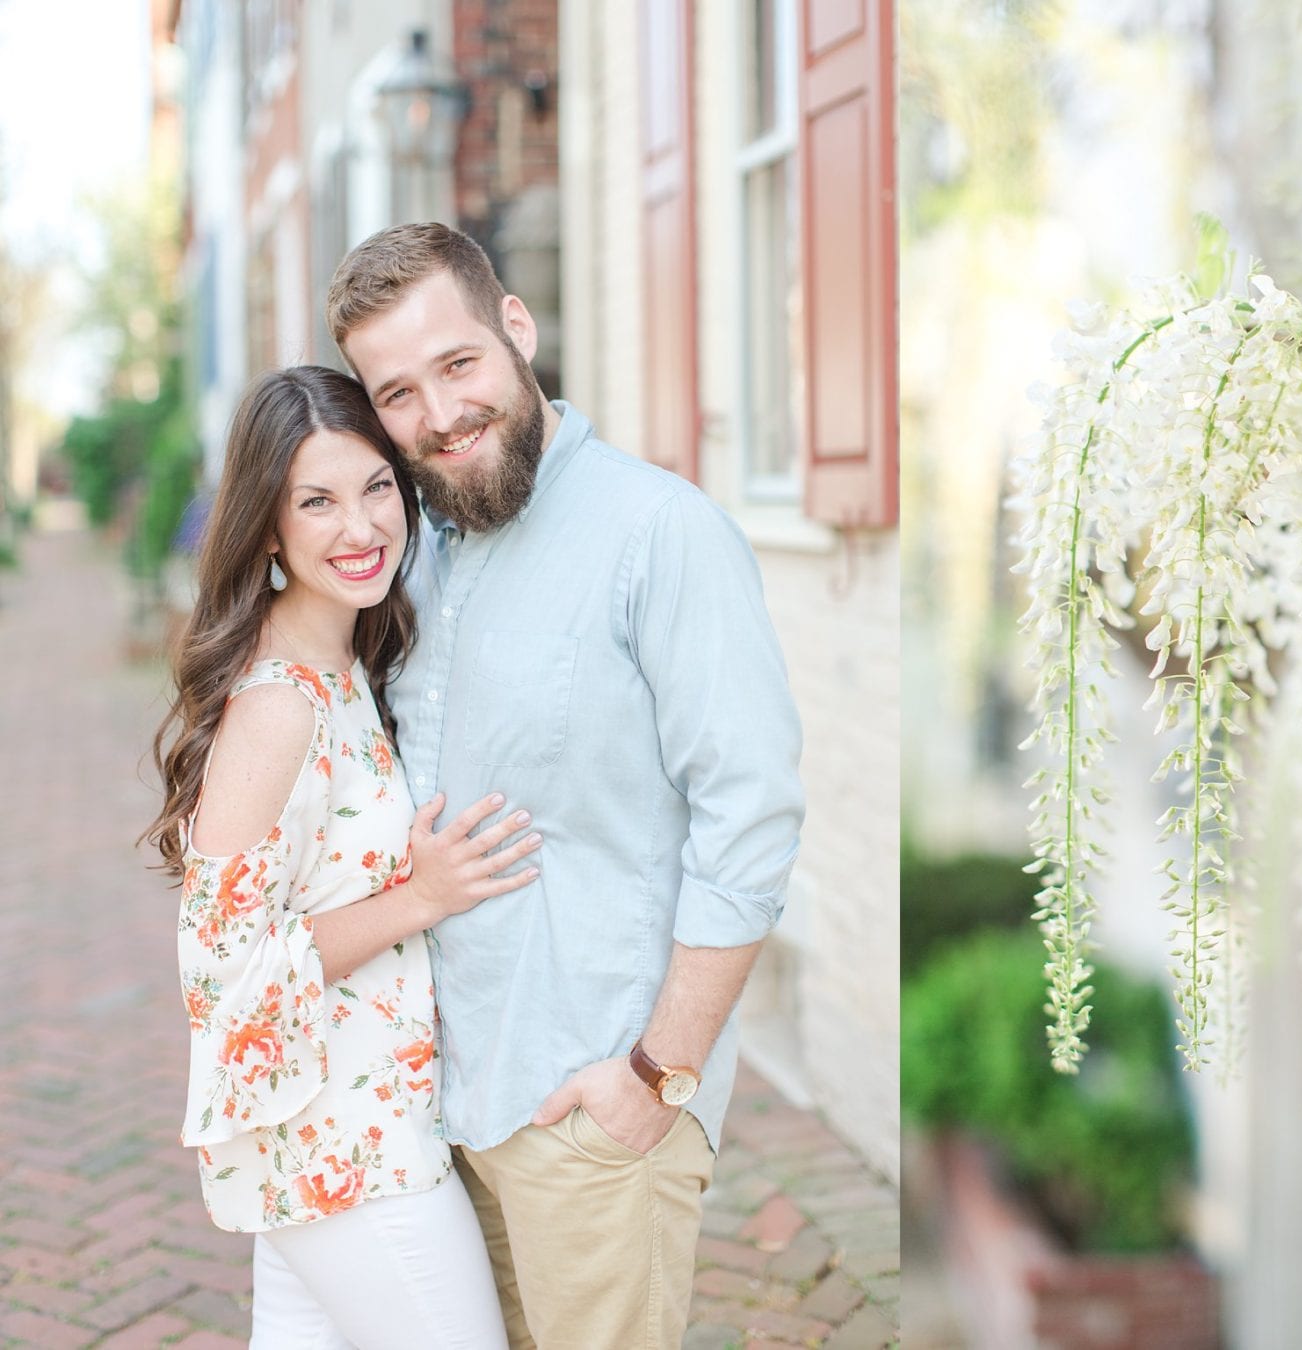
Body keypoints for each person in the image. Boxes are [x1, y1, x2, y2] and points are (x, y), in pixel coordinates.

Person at [325, 222, 806, 1348]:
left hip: (592, 1106)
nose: (438, 416)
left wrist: (655, 1074)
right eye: (397, 394)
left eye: (458, 366)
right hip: (441, 1110)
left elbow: (753, 820)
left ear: (517, 329)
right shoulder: (414, 551)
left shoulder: (661, 533)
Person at [144, 366, 541, 1348]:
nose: (359, 528)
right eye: (314, 501)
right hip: (340, 1146)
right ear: (268, 528)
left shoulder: (347, 662)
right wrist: (421, 898)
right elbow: (218, 963)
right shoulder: (281, 704)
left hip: (351, 1119)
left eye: (374, 487)